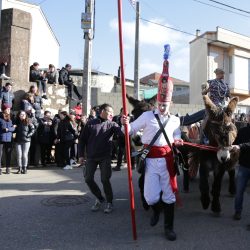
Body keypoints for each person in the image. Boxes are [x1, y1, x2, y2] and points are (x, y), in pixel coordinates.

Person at [123, 59, 183, 241]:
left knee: (169, 196)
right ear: (157, 102)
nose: (162, 106)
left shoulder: (175, 120)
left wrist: (178, 141)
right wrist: (125, 124)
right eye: (160, 103)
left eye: (165, 104)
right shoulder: (147, 116)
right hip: (149, 161)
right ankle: (156, 212)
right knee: (150, 197)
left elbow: (176, 136)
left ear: (170, 104)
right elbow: (129, 130)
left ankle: (169, 228)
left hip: (168, 161)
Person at [78, 103, 125, 214]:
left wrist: (124, 125)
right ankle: (99, 198)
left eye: (113, 113)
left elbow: (122, 134)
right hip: (91, 157)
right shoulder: (90, 124)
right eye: (110, 112)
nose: (112, 114)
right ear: (103, 111)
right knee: (88, 179)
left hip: (105, 156)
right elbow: (82, 140)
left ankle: (109, 201)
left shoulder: (112, 124)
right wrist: (80, 155)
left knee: (105, 179)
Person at [0, 104, 15, 175]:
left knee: (8, 153)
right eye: (7, 109)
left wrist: (9, 129)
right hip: (0, 138)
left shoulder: (12, 117)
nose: (8, 110)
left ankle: (8, 168)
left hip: (9, 138)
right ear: (3, 110)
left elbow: (15, 127)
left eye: (9, 109)